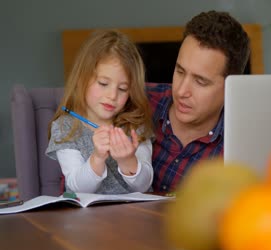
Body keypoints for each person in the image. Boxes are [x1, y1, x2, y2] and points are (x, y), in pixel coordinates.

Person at [147, 10, 251, 194]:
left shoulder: (241, 148)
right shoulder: (136, 100)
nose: (181, 91)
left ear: (231, 86)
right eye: (180, 71)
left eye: (200, 81)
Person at [46, 29, 154, 194]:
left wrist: (128, 160)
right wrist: (97, 158)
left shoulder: (135, 124)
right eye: (103, 83)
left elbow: (144, 185)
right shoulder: (65, 127)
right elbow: (76, 187)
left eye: (123, 89)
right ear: (82, 79)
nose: (112, 96)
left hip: (134, 215)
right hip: (87, 218)